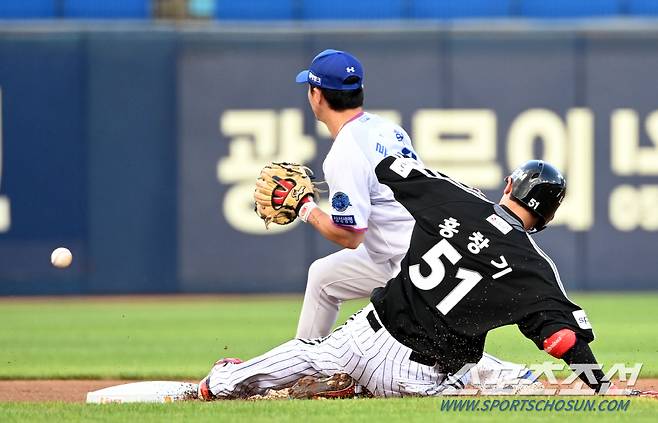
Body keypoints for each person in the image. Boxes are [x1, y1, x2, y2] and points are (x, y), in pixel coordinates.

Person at [198, 158, 592, 400]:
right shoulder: (534, 268)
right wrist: (597, 382)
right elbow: (563, 340)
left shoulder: (456, 198)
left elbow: (389, 168)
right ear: (548, 218)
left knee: (309, 353)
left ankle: (220, 383)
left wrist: (310, 206)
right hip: (418, 377)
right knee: (481, 374)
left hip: (362, 337)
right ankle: (358, 390)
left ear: (509, 186)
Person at [291, 49, 420, 339]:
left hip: (414, 268)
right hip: (415, 250)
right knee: (323, 276)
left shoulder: (346, 152)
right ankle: (304, 363)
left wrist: (306, 208)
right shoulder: (388, 129)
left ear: (317, 95)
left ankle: (513, 375)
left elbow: (350, 236)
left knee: (440, 363)